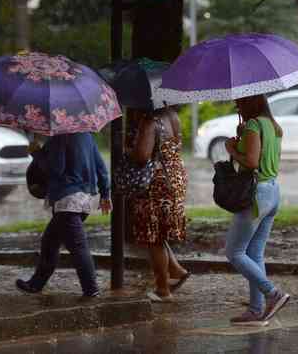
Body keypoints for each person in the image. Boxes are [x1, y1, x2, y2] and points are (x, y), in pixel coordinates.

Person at [15, 132, 110, 297]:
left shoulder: (60, 136)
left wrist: (37, 153)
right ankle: (36, 284)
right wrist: (105, 194)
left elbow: (56, 170)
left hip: (68, 200)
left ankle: (91, 289)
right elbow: (101, 167)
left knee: (78, 246)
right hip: (84, 198)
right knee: (50, 242)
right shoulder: (86, 135)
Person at [224, 94, 290, 325]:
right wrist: (243, 137)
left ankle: (273, 294)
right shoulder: (273, 126)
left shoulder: (254, 125)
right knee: (255, 254)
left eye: (240, 103)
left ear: (250, 103)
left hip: (256, 194)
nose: (238, 107)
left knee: (234, 252)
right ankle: (255, 310)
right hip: (272, 191)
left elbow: (251, 162)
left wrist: (231, 148)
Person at [125, 107, 189, 302]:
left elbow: (142, 156)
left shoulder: (150, 121)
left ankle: (163, 289)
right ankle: (176, 270)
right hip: (175, 177)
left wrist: (128, 150)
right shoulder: (172, 116)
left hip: (156, 183)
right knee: (159, 232)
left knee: (153, 236)